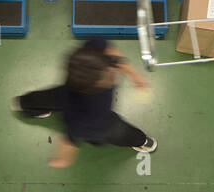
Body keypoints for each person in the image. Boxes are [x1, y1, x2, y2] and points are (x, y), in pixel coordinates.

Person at [14, 37, 156, 167]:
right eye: (109, 75)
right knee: (117, 131)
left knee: (45, 98)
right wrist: (64, 159)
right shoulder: (83, 117)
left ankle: (25, 104)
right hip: (99, 123)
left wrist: (134, 75)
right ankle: (140, 141)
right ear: (94, 88)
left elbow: (111, 54)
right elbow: (69, 140)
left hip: (64, 93)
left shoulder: (88, 57)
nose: (114, 72)